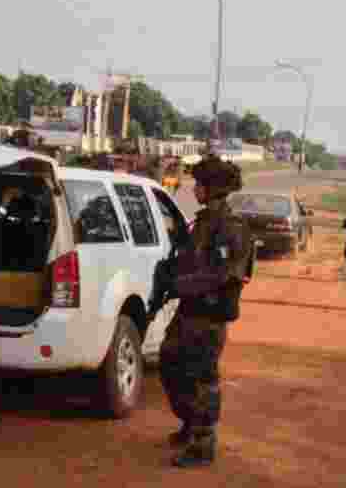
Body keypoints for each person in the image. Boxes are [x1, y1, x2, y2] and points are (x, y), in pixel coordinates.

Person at [158, 153, 249, 468]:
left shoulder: (230, 226)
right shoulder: (204, 221)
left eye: (199, 183)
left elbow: (222, 274)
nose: (194, 188)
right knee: (170, 365)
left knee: (201, 378)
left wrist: (180, 285)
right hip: (189, 311)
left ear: (212, 188)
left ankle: (203, 443)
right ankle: (190, 422)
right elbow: (192, 260)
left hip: (209, 315)